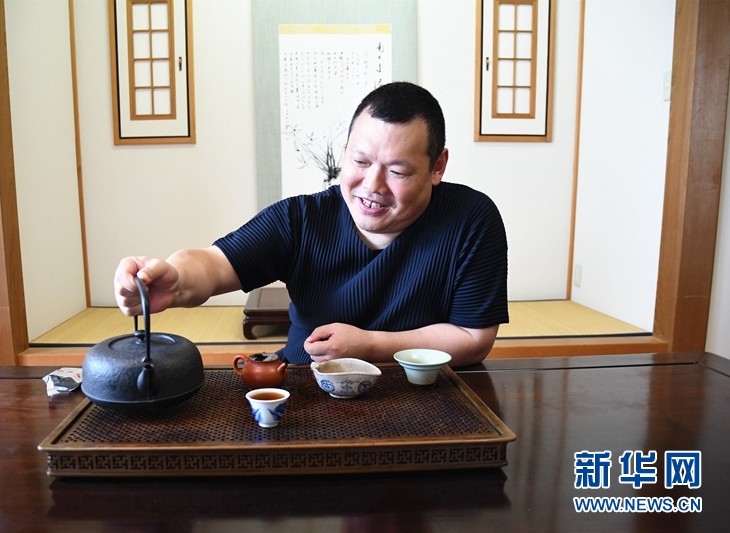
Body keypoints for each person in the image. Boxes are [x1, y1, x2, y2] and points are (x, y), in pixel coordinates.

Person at [115, 81, 508, 367]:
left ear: (437, 167)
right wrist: (174, 278)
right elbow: (216, 263)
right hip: (307, 391)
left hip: (423, 396)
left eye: (398, 171)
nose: (372, 186)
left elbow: (473, 339)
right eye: (359, 161)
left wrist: (370, 345)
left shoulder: (471, 221)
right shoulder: (301, 220)